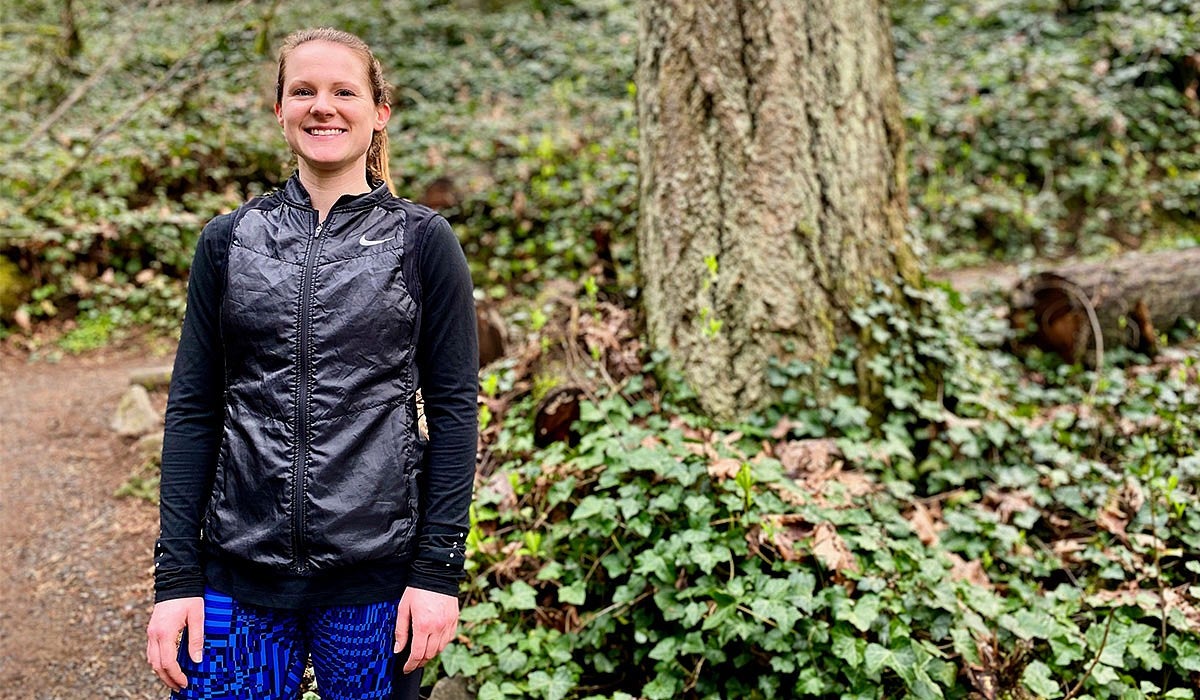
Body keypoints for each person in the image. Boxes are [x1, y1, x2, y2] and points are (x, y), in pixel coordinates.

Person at [145, 27, 478, 700]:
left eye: (343, 91)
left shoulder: (422, 243)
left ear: (378, 110)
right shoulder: (228, 240)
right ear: (280, 110)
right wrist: (176, 578)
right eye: (304, 91)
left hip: (375, 580)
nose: (322, 106)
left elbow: (454, 415)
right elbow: (193, 411)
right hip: (239, 573)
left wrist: (438, 573)